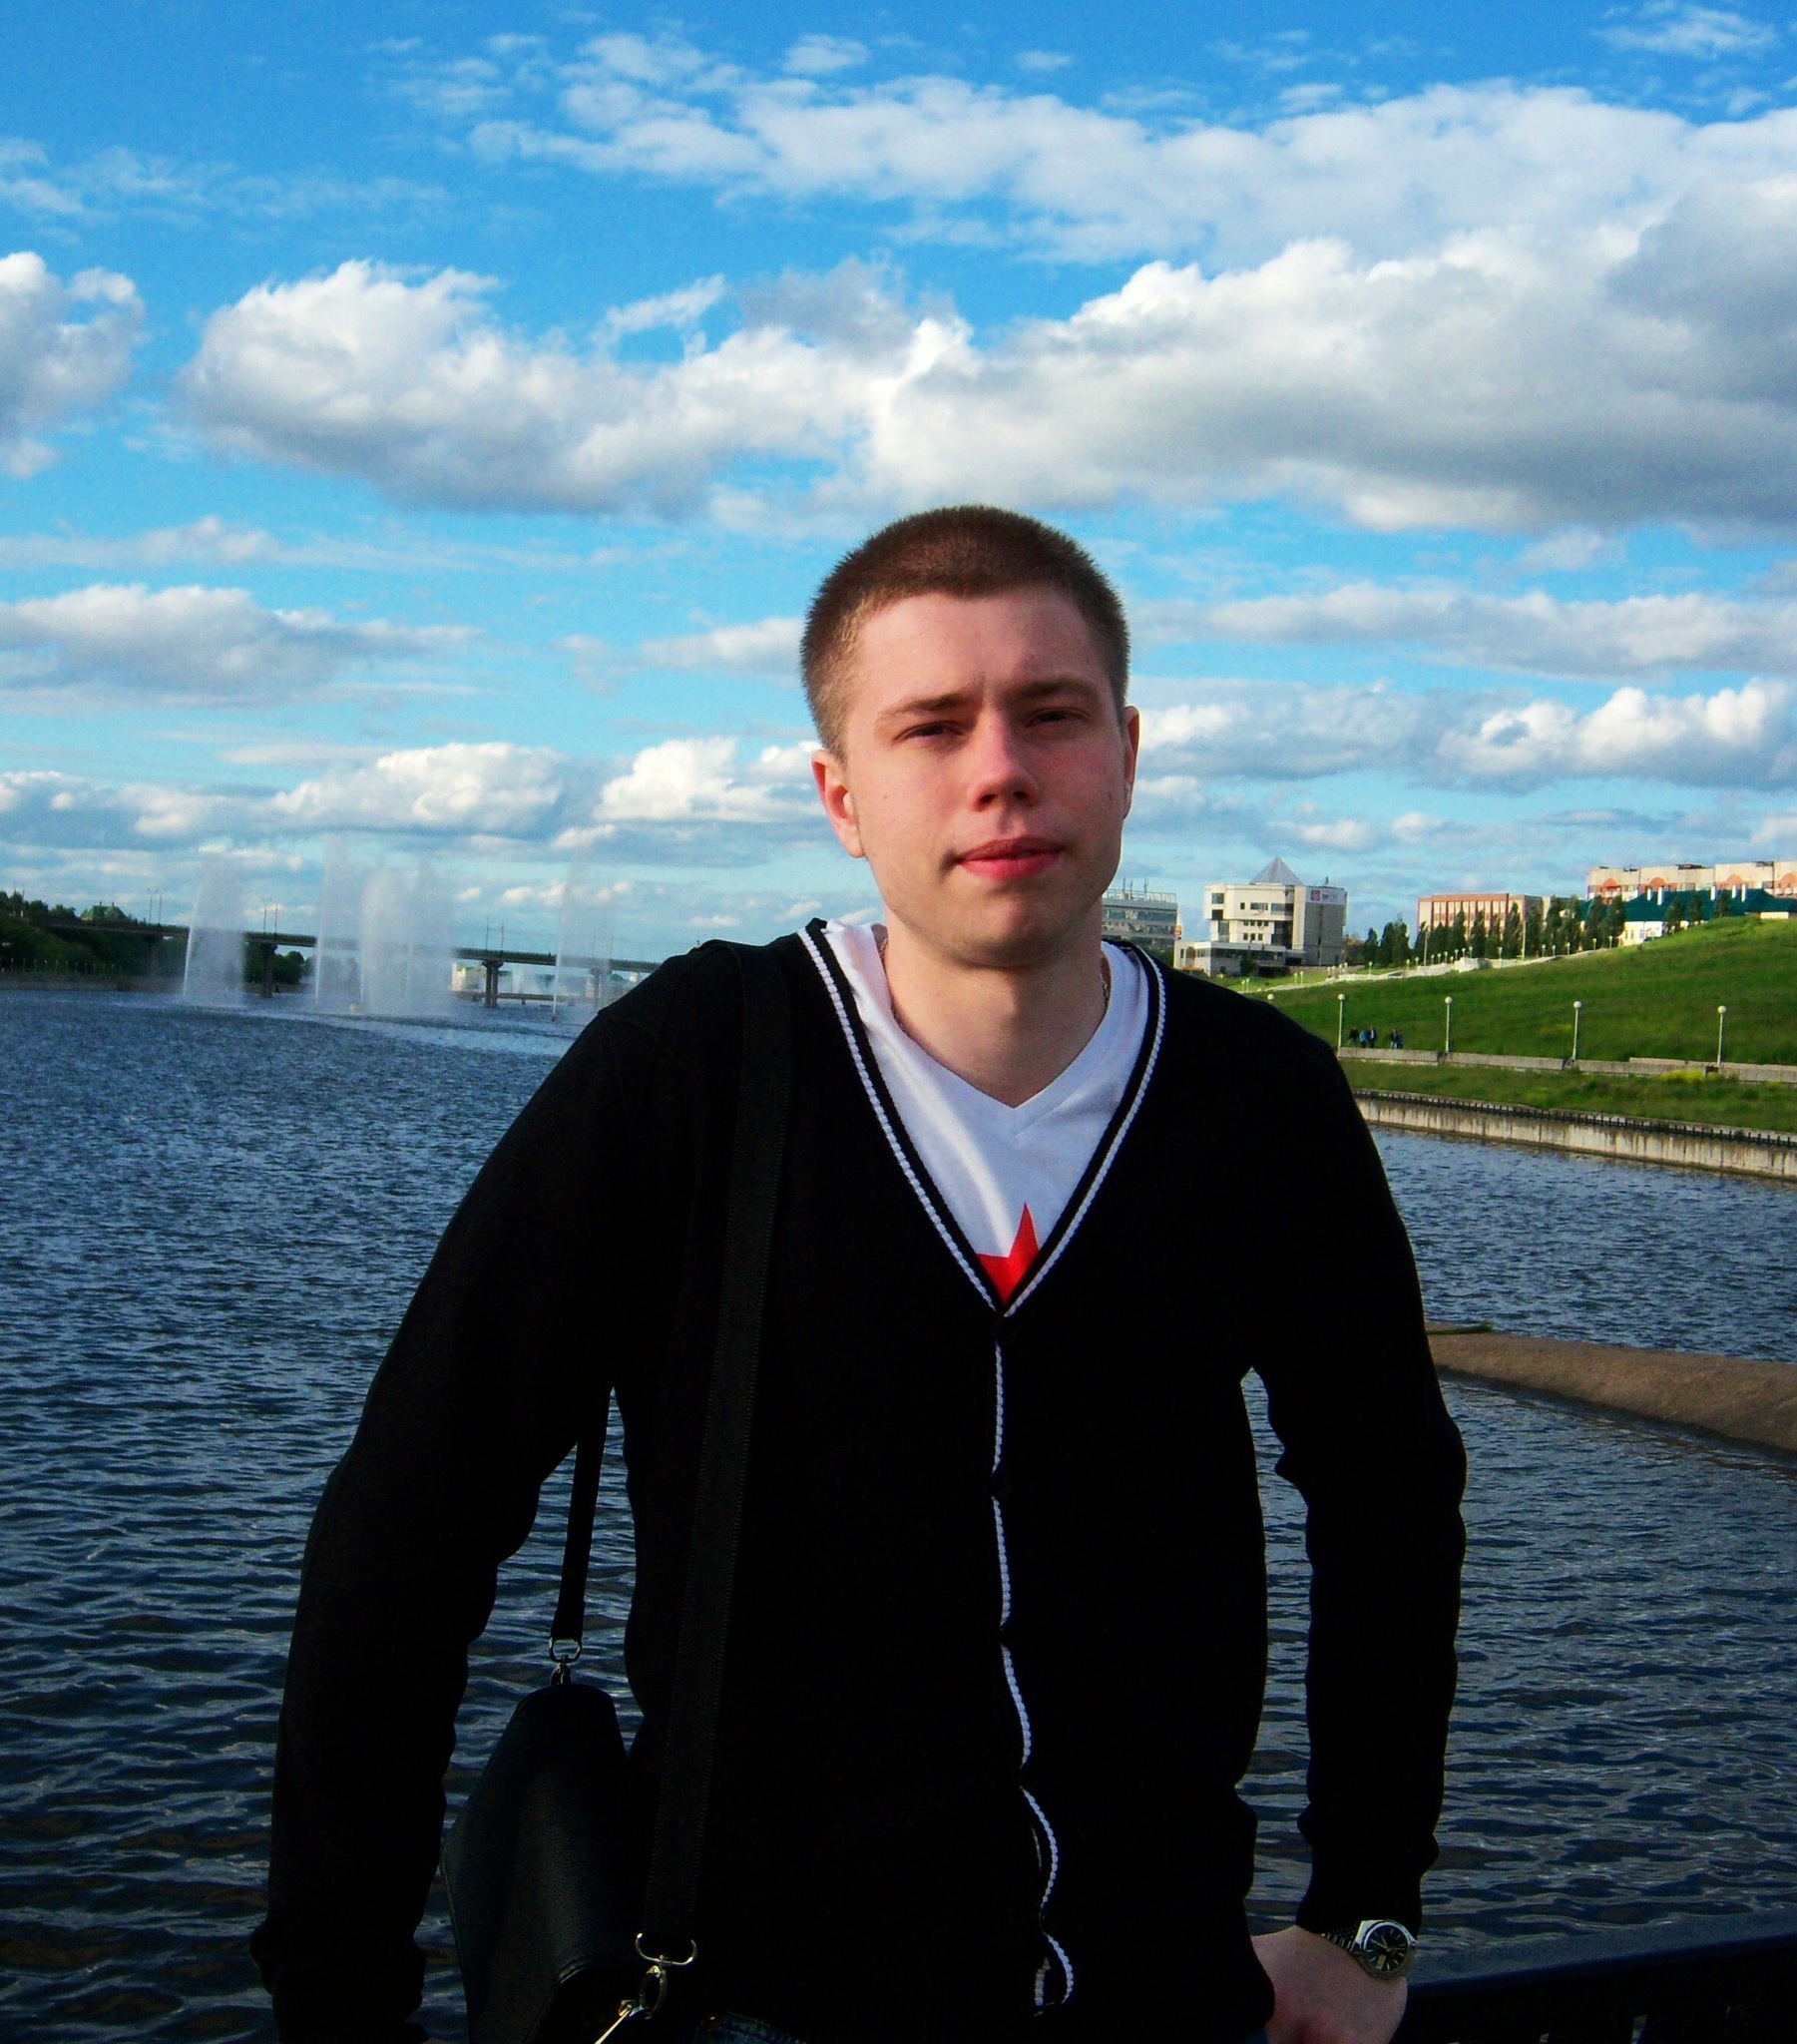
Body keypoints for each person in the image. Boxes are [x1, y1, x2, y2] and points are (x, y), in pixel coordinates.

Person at [253, 507, 1467, 2044]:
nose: (998, 770)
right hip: (755, 2003)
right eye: (930, 726)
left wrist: (1364, 1909)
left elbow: (1387, 1497)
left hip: (1156, 1998)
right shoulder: (702, 1064)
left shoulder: (1255, 1097)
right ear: (841, 794)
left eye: (1049, 714)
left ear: (1126, 753)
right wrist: (342, 2005)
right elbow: (410, 1524)